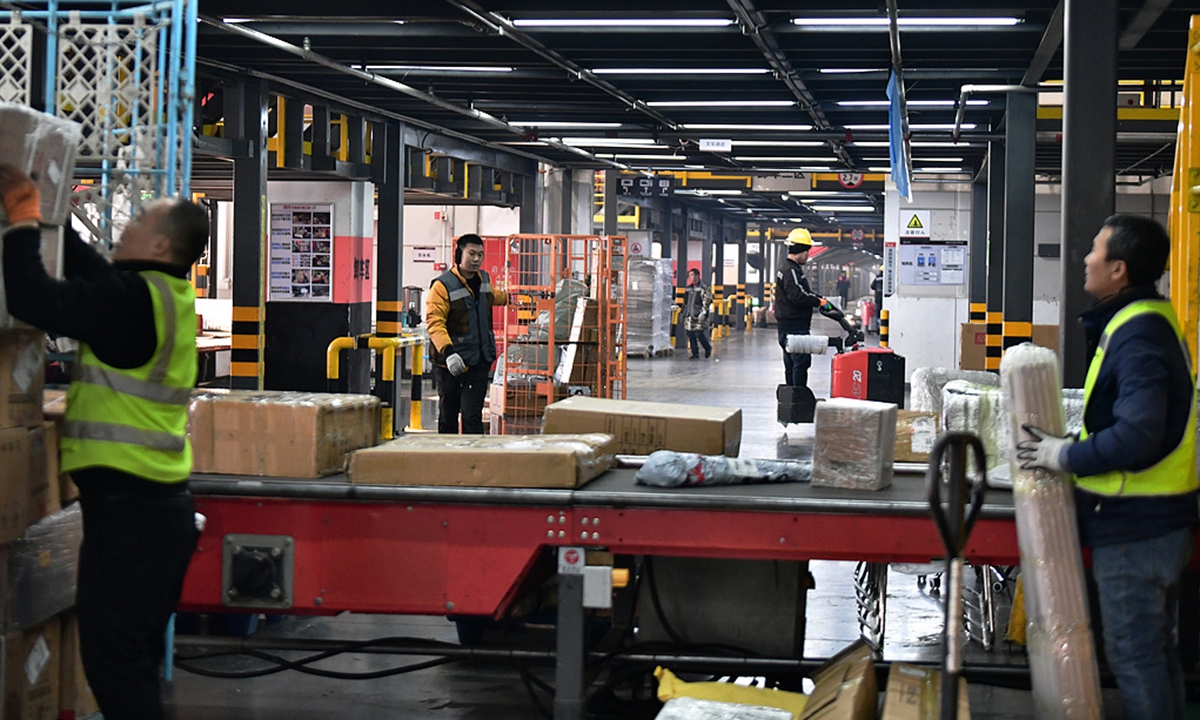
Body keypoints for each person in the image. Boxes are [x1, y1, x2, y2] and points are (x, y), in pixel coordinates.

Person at [0, 164, 209, 720]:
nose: (127, 223)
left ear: (160, 243)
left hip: (134, 516)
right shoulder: (161, 293)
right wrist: (50, 217)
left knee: (113, 661)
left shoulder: (133, 302)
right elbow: (92, 272)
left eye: (140, 219)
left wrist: (23, 221)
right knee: (127, 659)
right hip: (153, 510)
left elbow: (32, 298)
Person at [1017, 214, 1197, 720]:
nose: (1085, 258)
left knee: (1135, 657)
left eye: (1095, 250)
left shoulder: (1138, 333)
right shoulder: (1138, 321)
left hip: (1138, 525)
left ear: (1118, 268)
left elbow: (1138, 434)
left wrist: (1063, 455)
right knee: (1156, 655)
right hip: (1154, 519)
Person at [426, 233, 507, 434]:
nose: (476, 259)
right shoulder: (442, 286)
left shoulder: (484, 279)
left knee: (472, 415)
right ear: (459, 254)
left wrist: (516, 298)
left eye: (480, 254)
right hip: (450, 363)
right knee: (448, 415)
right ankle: (447, 460)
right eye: (471, 253)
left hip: (478, 360)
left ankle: (473, 461)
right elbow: (435, 322)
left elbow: (495, 297)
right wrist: (448, 352)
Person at [774, 228, 828, 387]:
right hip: (795, 326)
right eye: (807, 251)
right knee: (801, 361)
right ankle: (798, 396)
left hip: (788, 325)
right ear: (800, 250)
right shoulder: (791, 270)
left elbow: (803, 292)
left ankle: (791, 397)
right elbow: (797, 295)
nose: (808, 255)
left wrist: (816, 297)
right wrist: (818, 302)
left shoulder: (788, 268)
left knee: (791, 363)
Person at [681, 268, 713, 359]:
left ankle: (708, 348)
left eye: (693, 275)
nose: (692, 277)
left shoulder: (703, 288)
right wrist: (683, 311)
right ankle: (695, 353)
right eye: (690, 275)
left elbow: (706, 301)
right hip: (689, 314)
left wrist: (703, 312)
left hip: (698, 315)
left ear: (698, 276)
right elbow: (685, 301)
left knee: (699, 333)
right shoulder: (688, 288)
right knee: (690, 334)